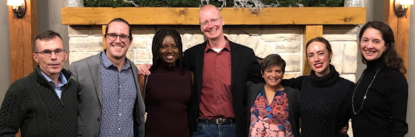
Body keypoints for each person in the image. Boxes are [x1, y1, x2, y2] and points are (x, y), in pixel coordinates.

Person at [138, 4, 263, 137]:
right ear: (201, 27)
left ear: (222, 20)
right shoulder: (192, 56)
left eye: (213, 20)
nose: (210, 25)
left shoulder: (245, 54)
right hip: (202, 129)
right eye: (205, 22)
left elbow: (263, 84)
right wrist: (148, 66)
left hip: (234, 129)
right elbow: (170, 68)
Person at [70, 18, 145, 137]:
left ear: (130, 41)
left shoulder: (134, 71)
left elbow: (137, 116)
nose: (118, 40)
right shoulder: (80, 69)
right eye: (113, 35)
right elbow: (68, 114)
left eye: (123, 36)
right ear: (105, 38)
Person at [0, 30, 78, 136]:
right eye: (46, 52)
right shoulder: (20, 89)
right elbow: (4, 132)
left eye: (58, 51)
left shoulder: (73, 87)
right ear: (36, 57)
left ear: (65, 55)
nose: (54, 57)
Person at [282, 37, 354, 137]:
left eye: (320, 53)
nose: (316, 59)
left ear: (330, 54)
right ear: (308, 60)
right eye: (311, 55)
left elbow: (362, 121)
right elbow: (273, 81)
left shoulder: (347, 87)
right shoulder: (302, 83)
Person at [351, 21, 408, 137]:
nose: (369, 46)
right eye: (365, 40)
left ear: (386, 46)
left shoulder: (395, 78)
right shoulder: (366, 74)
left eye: (376, 41)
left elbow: (399, 127)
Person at [139, 28, 193, 137]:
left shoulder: (189, 76)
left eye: (174, 46)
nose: (169, 50)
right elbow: (138, 111)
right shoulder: (146, 76)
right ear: (156, 49)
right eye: (163, 46)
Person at [247, 54, 300, 137]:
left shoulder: (293, 94)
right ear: (262, 73)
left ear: (283, 73)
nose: (274, 75)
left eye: (278, 71)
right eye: (269, 71)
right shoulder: (252, 90)